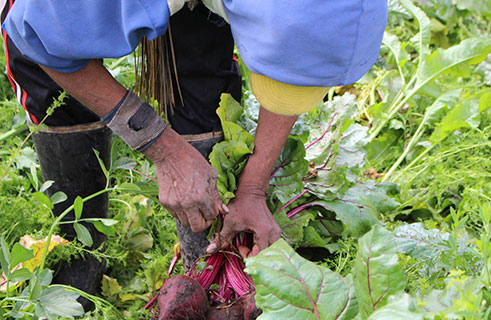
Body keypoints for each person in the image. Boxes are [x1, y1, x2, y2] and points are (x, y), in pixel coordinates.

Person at [2, 0, 387, 310]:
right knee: (51, 87)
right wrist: (163, 149)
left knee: (200, 74)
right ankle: (81, 257)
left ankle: (201, 264)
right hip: (44, 21)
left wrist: (252, 187)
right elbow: (39, 38)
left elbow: (304, 52)